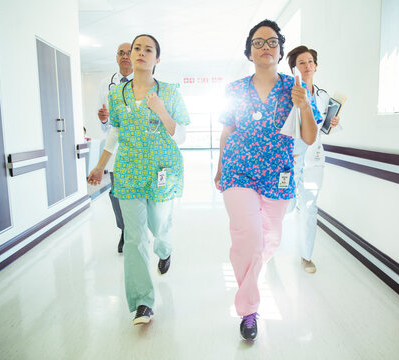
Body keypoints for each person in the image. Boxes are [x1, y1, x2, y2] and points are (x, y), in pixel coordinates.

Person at [214, 20, 322, 342]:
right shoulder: (234, 89)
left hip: (279, 172)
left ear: (280, 50)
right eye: (258, 42)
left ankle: (249, 275)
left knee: (269, 240)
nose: (265, 47)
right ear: (249, 51)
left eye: (271, 42)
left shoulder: (295, 87)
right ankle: (249, 310)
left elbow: (309, 136)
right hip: (238, 169)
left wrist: (303, 106)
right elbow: (227, 129)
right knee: (247, 235)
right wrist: (220, 165)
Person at [88, 34, 190, 325]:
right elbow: (115, 133)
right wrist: (99, 166)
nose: (141, 53)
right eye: (137, 48)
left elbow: (180, 135)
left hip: (162, 171)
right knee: (134, 238)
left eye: (149, 49)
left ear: (157, 59)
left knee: (159, 226)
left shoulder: (169, 92)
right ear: (129, 56)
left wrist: (161, 111)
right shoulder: (116, 95)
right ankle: (143, 302)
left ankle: (165, 248)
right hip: (129, 171)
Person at [286, 45, 341, 274]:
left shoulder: (323, 96)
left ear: (315, 66)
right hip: (289, 157)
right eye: (301, 62)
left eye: (310, 62)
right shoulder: (288, 93)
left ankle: (306, 256)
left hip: (314, 157)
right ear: (294, 69)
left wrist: (333, 124)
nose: (307, 66)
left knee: (309, 207)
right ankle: (269, 245)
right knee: (285, 207)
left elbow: (324, 129)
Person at [97, 42, 134, 253]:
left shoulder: (143, 83)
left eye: (129, 52)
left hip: (139, 151)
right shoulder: (106, 85)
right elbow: (106, 128)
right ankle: (125, 231)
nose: (125, 56)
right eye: (121, 52)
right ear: (116, 56)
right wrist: (103, 120)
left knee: (139, 194)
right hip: (115, 152)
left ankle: (136, 229)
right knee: (116, 194)